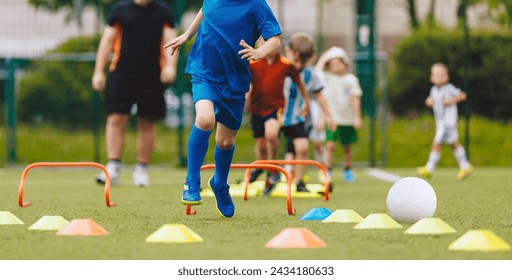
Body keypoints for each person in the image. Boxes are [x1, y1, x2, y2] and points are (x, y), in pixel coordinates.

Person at [164, 1, 282, 217]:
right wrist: (188, 34)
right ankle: (191, 181)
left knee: (225, 141)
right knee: (205, 119)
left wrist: (259, 52)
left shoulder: (256, 5)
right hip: (205, 71)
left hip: (235, 80)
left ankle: (219, 183)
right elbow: (204, 10)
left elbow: (275, 40)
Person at [92, 0, 178, 187]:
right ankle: (113, 168)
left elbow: (171, 40)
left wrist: (171, 66)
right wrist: (99, 71)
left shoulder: (164, 12)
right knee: (116, 117)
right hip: (122, 72)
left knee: (147, 120)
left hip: (152, 74)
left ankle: (141, 170)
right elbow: (107, 40)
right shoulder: (120, 10)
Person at [245, 37, 308, 195]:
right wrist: (245, 97)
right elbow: (245, 82)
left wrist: (306, 101)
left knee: (271, 134)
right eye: (263, 41)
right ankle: (266, 169)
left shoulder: (286, 65)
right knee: (261, 145)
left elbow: (299, 82)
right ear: (259, 44)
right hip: (257, 109)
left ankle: (273, 169)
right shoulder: (253, 63)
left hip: (275, 108)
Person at [280, 32, 335, 193]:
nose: (297, 65)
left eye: (302, 61)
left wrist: (329, 116)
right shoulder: (280, 67)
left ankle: (299, 181)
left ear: (310, 57)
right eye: (295, 60)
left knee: (302, 148)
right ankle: (273, 176)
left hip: (298, 118)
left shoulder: (311, 74)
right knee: (277, 146)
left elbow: (319, 95)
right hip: (277, 116)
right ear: (288, 51)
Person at [416, 63, 474, 180]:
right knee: (454, 144)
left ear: (447, 77)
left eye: (441, 74)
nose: (439, 77)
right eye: (436, 74)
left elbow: (462, 95)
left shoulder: (449, 88)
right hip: (440, 122)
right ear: (431, 78)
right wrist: (429, 101)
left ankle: (429, 168)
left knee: (436, 143)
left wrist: (449, 101)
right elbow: (430, 100)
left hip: (448, 122)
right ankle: (465, 166)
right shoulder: (434, 90)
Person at [315, 46, 362, 183]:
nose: (335, 66)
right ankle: (327, 169)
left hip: (347, 119)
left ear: (345, 63)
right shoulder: (327, 78)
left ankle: (347, 168)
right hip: (332, 119)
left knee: (347, 146)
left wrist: (357, 117)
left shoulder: (351, 79)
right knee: (330, 145)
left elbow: (355, 99)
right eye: (332, 63)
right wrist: (325, 56)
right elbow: (317, 72)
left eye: (338, 62)